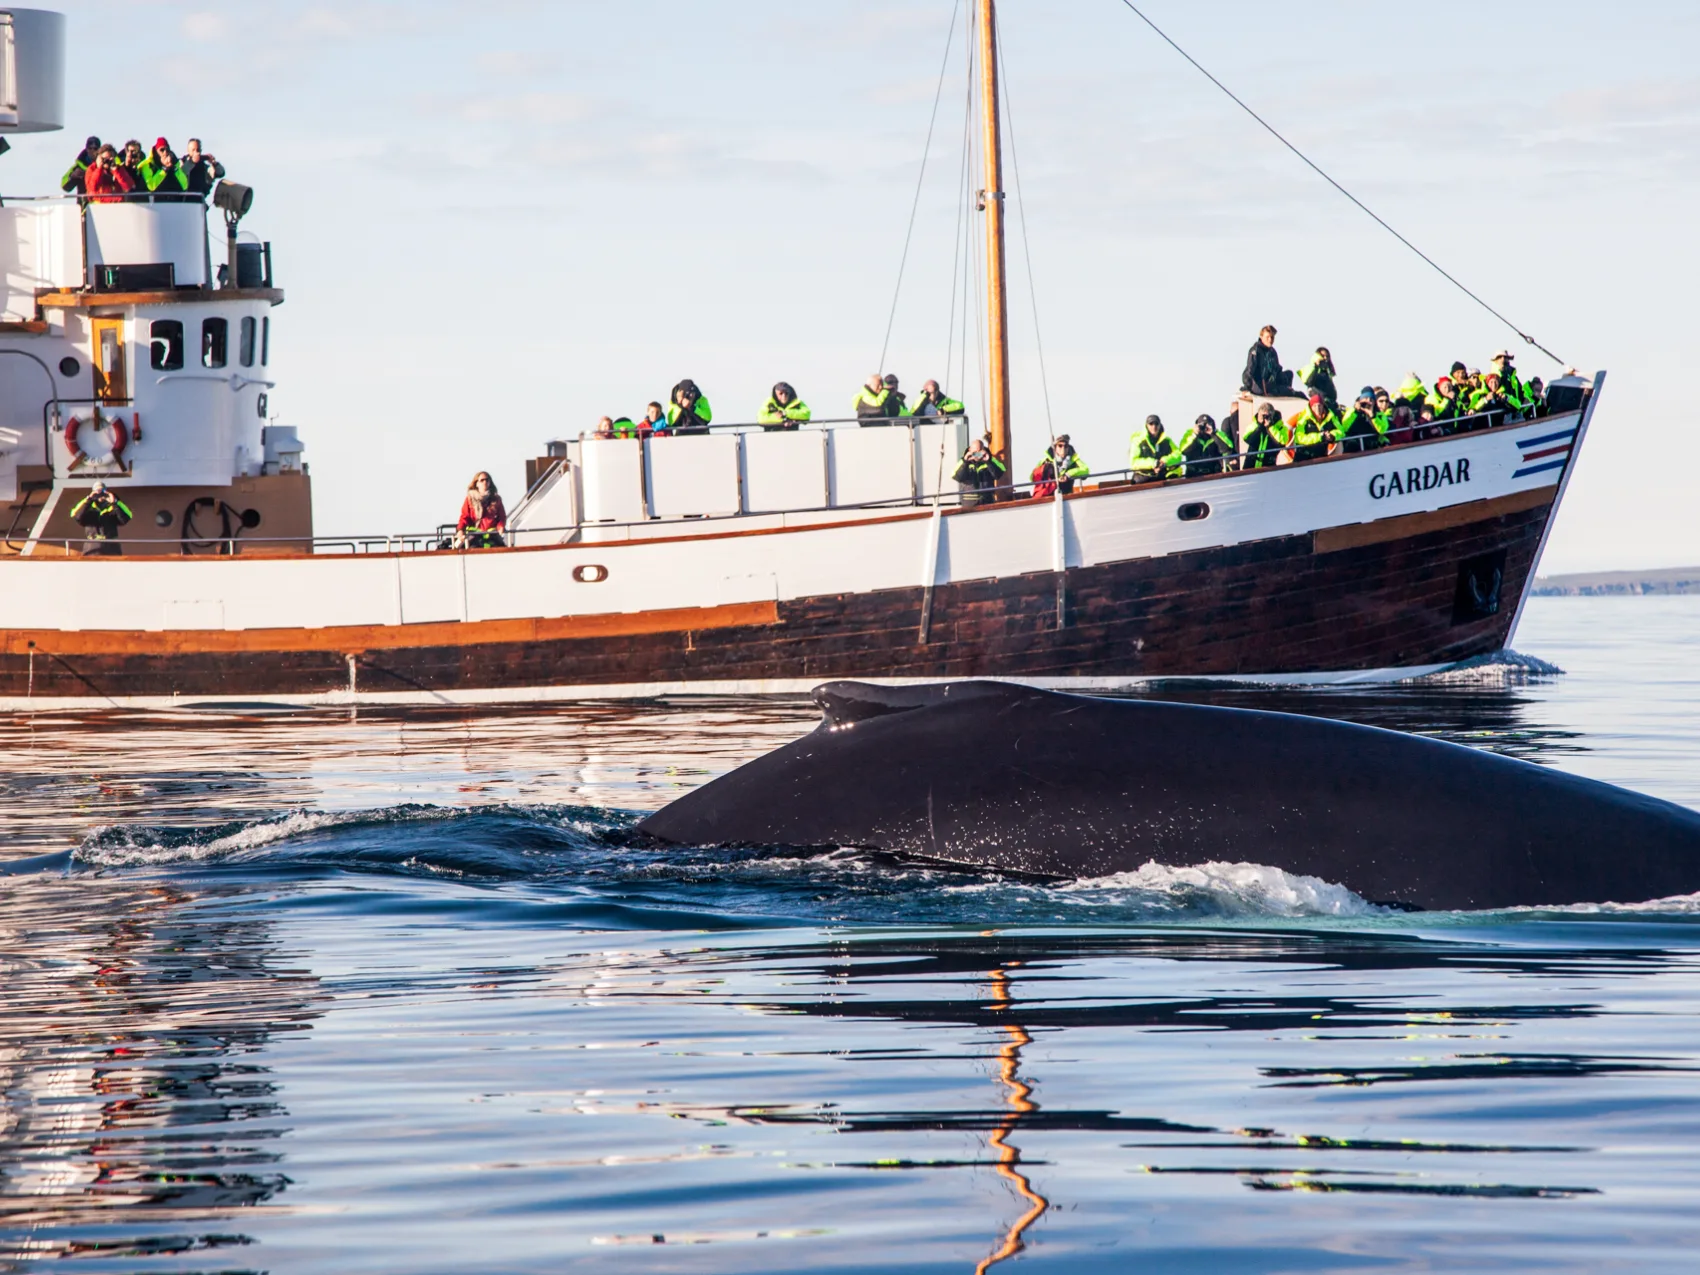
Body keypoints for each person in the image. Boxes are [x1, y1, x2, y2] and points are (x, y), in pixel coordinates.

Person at [70, 482, 131, 555]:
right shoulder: (88, 508)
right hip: (92, 549)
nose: (100, 494)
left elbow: (126, 518)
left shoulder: (113, 508)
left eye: (103, 491)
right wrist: (88, 499)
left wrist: (115, 502)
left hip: (111, 549)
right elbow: (76, 515)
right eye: (97, 492)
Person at [455, 472, 507, 548]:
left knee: (502, 548)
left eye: (487, 480)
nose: (485, 482)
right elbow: (464, 517)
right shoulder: (470, 498)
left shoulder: (496, 499)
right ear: (476, 484)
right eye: (482, 480)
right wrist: (460, 530)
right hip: (474, 535)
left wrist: (501, 526)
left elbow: (502, 517)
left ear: (490, 483)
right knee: (470, 548)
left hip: (491, 535)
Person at [953, 434, 1006, 506]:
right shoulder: (963, 462)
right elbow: (957, 477)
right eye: (974, 453)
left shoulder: (991, 460)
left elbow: (999, 474)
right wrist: (965, 462)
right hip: (969, 503)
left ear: (983, 449)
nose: (977, 455)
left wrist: (988, 461)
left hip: (987, 501)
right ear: (970, 450)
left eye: (979, 452)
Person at [1241, 324, 1293, 396]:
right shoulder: (1255, 351)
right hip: (1259, 385)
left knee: (1289, 374)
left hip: (1270, 382)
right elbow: (1250, 370)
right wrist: (1247, 387)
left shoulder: (1272, 352)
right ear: (1261, 337)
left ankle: (1285, 391)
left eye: (1272, 337)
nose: (1270, 340)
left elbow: (1277, 369)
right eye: (1267, 337)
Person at [1129, 414, 1179, 481]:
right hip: (1144, 478)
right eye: (1151, 424)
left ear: (1160, 425)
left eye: (1156, 424)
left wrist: (1164, 461)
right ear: (1146, 425)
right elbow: (1133, 462)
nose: (1154, 427)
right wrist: (1153, 463)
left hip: (1162, 477)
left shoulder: (1167, 440)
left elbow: (1178, 455)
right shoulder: (1138, 441)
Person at [1241, 402, 1288, 470]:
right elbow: (1246, 438)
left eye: (1267, 416)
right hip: (1250, 465)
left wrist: (1270, 427)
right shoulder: (1254, 424)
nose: (1264, 418)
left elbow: (1282, 442)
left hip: (1268, 466)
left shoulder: (1280, 427)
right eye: (1262, 416)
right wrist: (1259, 426)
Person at [1337, 388, 1386, 453]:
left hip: (1372, 446)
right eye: (1366, 399)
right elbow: (1344, 427)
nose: (1369, 401)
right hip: (1355, 446)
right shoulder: (1353, 412)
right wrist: (1355, 411)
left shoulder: (1379, 415)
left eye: (1371, 399)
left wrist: (1372, 416)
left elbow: (1382, 430)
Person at [1298, 347, 1338, 412]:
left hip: (1330, 401)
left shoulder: (1326, 371)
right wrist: (1316, 366)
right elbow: (1309, 382)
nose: (1325, 358)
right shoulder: (1311, 368)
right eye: (1323, 356)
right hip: (1319, 401)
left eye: (1327, 356)